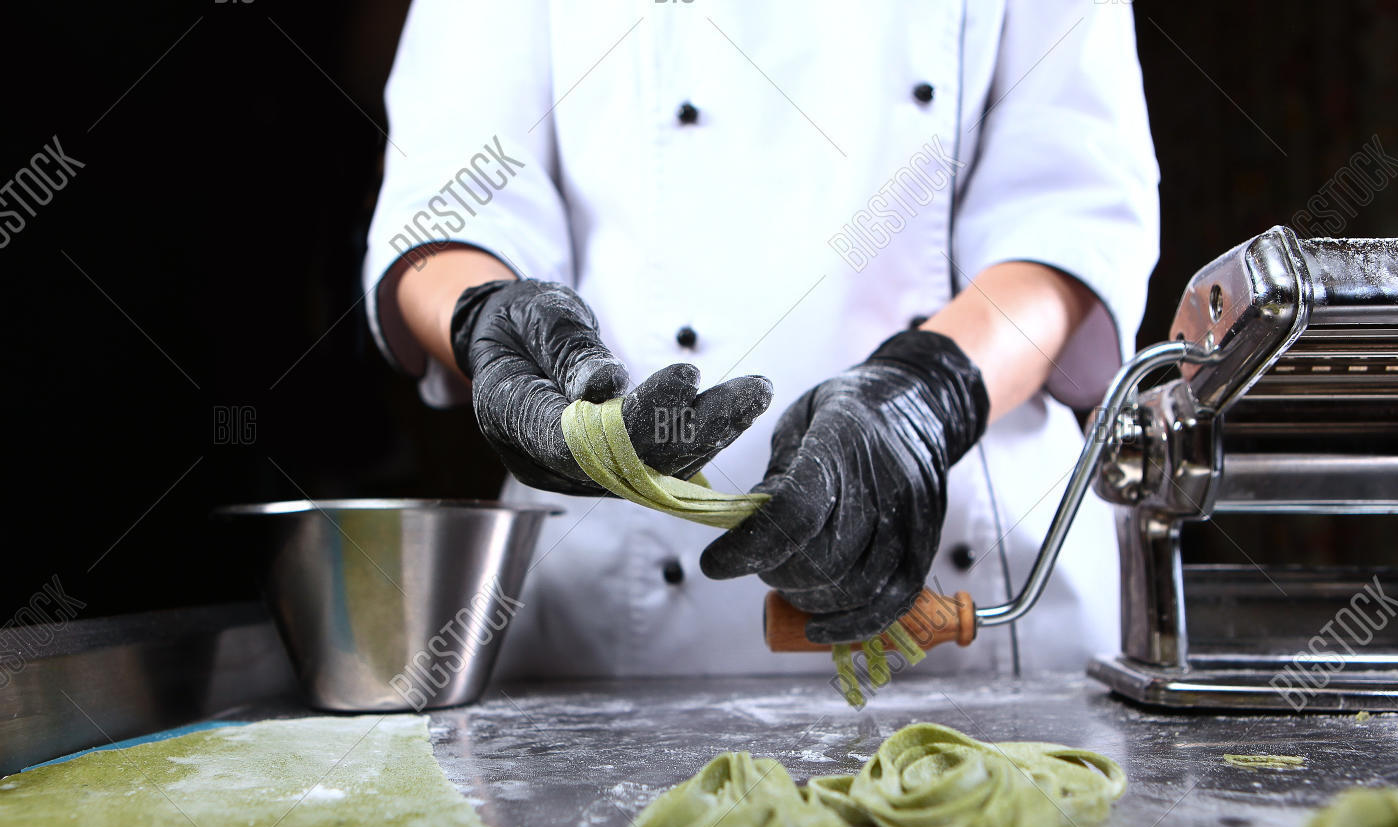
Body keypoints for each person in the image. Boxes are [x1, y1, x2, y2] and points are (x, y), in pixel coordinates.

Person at [364, 0, 1158, 679]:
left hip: (963, 581)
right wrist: (489, 322)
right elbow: (453, 194)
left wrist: (929, 395)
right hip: (615, 615)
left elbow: (1071, 212)